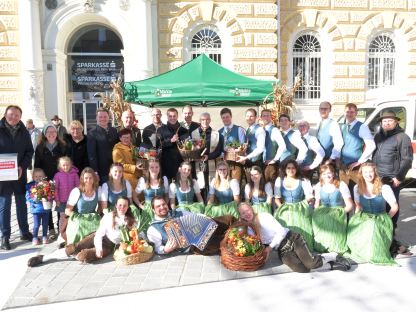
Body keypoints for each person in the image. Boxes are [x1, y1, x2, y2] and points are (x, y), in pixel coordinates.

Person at [238, 202, 351, 273]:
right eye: (243, 213)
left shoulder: (264, 217)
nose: (246, 214)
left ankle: (333, 256)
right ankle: (328, 264)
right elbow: (250, 242)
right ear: (241, 216)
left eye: (247, 210)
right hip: (282, 249)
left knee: (310, 263)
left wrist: (270, 248)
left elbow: (281, 231)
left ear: (251, 209)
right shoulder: (249, 229)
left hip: (292, 238)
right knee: (302, 269)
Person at [27, 196, 136, 266]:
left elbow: (135, 235)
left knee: (83, 256)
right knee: (73, 248)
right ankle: (44, 258)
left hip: (109, 245)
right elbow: (99, 234)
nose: (122, 207)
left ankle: (72, 253)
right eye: (120, 205)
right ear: (116, 206)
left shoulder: (130, 220)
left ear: (128, 207)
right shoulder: (109, 216)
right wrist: (98, 248)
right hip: (98, 237)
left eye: (125, 205)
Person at [372, 110, 413, 256]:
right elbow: (374, 155)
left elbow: (407, 160)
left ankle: (391, 238)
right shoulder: (378, 136)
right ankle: (381, 234)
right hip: (378, 178)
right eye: (384, 121)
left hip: (392, 179)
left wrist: (399, 177)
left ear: (396, 122)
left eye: (390, 120)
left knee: (392, 208)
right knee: (380, 207)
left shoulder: (402, 137)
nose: (387, 123)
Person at [347, 162, 398, 265]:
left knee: (372, 226)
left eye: (371, 172)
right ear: (361, 173)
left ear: (375, 173)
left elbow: (395, 207)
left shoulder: (384, 188)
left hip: (380, 218)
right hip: (365, 217)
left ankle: (374, 253)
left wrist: (387, 219)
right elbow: (358, 206)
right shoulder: (357, 188)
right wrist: (354, 220)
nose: (368, 174)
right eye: (365, 172)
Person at [0, 105, 34, 250]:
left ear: (20, 117)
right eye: (11, 114)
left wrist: (23, 166)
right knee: (4, 205)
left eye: (16, 115)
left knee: (21, 203)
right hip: (3, 175)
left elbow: (29, 151)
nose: (13, 117)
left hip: (19, 174)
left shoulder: (24, 131)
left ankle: (24, 232)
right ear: (5, 114)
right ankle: (5, 236)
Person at [34, 123, 68, 238]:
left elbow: (66, 163)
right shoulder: (40, 147)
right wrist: (39, 180)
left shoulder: (63, 146)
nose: (51, 134)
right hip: (45, 181)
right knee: (47, 206)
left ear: (56, 133)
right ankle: (51, 228)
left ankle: (60, 228)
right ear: (44, 134)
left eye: (53, 132)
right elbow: (37, 165)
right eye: (48, 132)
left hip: (60, 180)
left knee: (60, 206)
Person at [273, 159, 314, 250]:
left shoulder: (303, 180)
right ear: (284, 169)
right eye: (288, 168)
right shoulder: (279, 180)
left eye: (293, 168)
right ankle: (287, 248)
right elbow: (277, 198)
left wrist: (301, 205)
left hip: (300, 207)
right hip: (285, 208)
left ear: (296, 169)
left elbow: (310, 197)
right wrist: (282, 208)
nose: (291, 170)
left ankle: (302, 248)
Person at [312, 164, 353, 254]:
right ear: (321, 175)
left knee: (333, 224)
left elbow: (350, 205)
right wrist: (317, 215)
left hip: (338, 213)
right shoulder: (319, 185)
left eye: (329, 173)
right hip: (323, 212)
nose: (327, 176)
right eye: (324, 174)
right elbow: (317, 204)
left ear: (333, 173)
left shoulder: (341, 185)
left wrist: (340, 213)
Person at [339, 103, 376, 195]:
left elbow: (371, 145)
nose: (349, 114)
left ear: (356, 113)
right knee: (345, 194)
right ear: (344, 113)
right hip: (343, 167)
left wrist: (360, 161)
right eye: (347, 112)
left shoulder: (362, 127)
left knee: (357, 193)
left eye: (352, 112)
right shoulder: (343, 126)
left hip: (355, 167)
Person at [65, 167, 103, 245]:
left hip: (91, 217)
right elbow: (67, 210)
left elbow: (100, 206)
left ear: (94, 179)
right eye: (86, 178)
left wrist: (97, 215)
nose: (88, 180)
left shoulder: (98, 190)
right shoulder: (77, 191)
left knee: (100, 225)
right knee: (80, 225)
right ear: (82, 179)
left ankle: (94, 244)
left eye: (90, 178)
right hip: (78, 217)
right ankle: (78, 245)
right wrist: (77, 217)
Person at [191, 112, 223, 199]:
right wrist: (196, 156)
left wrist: (209, 156)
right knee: (200, 184)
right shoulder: (193, 133)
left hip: (211, 162)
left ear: (210, 120)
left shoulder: (216, 134)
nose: (205, 121)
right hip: (198, 163)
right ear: (200, 121)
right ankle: (201, 202)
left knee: (211, 184)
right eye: (203, 119)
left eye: (207, 119)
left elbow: (219, 150)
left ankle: (210, 202)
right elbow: (191, 149)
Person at [132, 159, 169, 230]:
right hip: (148, 210)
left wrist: (165, 204)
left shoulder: (164, 179)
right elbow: (134, 195)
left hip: (161, 208)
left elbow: (167, 194)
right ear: (148, 168)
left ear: (159, 168)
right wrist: (141, 206)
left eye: (156, 167)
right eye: (152, 167)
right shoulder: (143, 180)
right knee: (148, 229)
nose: (154, 169)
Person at [87, 107, 119, 185]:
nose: (103, 119)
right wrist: (95, 171)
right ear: (96, 118)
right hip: (102, 171)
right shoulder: (92, 133)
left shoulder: (114, 131)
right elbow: (92, 155)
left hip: (115, 169)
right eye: (100, 117)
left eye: (105, 117)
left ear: (109, 117)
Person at [53, 156, 80, 243]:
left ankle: (71, 233)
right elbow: (55, 188)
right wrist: (57, 200)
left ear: (71, 165)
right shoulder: (57, 175)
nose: (65, 167)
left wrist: (78, 198)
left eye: (67, 165)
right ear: (60, 166)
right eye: (63, 165)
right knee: (62, 217)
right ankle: (61, 234)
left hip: (73, 201)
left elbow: (78, 186)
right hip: (62, 201)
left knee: (72, 217)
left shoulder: (75, 174)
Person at [159, 108, 188, 181]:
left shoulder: (184, 130)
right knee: (167, 187)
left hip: (180, 163)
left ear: (177, 116)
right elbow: (158, 146)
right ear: (167, 116)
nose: (172, 118)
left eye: (174, 116)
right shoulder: (161, 130)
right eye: (170, 116)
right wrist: (170, 141)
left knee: (180, 185)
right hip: (166, 164)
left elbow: (187, 147)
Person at [218, 108, 246, 182]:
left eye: (227, 117)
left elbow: (243, 147)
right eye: (223, 117)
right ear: (221, 119)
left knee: (235, 184)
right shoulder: (219, 132)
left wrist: (234, 150)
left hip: (236, 162)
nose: (225, 119)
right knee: (225, 184)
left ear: (231, 117)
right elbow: (219, 148)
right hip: (223, 163)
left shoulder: (239, 129)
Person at [237, 109, 265, 178]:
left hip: (256, 162)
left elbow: (260, 148)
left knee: (257, 185)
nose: (249, 118)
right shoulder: (247, 129)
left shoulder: (259, 130)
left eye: (251, 116)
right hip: (248, 162)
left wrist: (246, 157)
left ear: (256, 117)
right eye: (247, 116)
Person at [25, 168, 50, 245]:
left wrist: (49, 197)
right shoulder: (30, 186)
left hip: (46, 208)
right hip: (36, 209)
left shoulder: (47, 184)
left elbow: (51, 194)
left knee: (45, 224)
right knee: (36, 225)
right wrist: (34, 199)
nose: (38, 178)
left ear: (44, 176)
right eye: (36, 176)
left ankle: (45, 236)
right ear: (32, 177)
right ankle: (35, 237)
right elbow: (27, 196)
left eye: (40, 176)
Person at [261, 109, 287, 183]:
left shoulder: (274, 130)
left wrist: (275, 159)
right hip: (262, 163)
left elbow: (283, 145)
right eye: (264, 116)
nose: (266, 117)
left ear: (271, 117)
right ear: (261, 118)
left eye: (268, 116)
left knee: (271, 187)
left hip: (271, 165)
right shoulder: (261, 129)